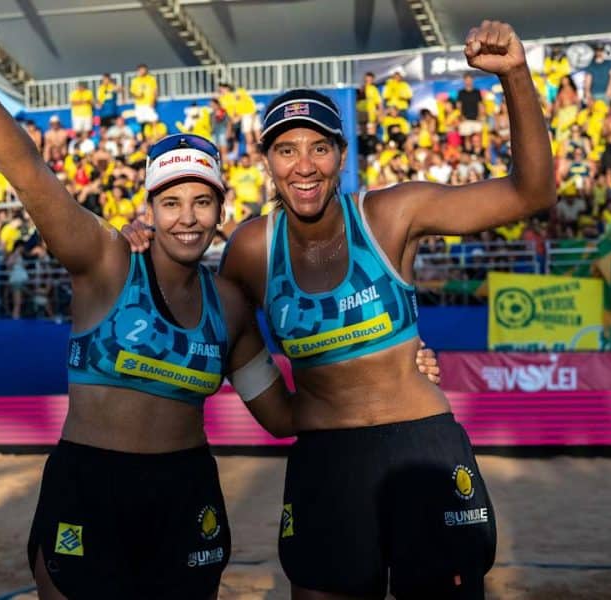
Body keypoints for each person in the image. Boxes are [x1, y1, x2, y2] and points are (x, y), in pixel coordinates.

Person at [0, 12, 443, 598]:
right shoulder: (105, 263)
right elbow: (26, 170)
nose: (187, 218)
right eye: (171, 202)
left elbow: (282, 417)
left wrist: (390, 378)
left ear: (221, 210)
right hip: (90, 485)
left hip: (185, 491)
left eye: (202, 201)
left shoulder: (228, 307)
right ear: (149, 207)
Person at [126, 20, 555, 598]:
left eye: (319, 148)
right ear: (266, 162)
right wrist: (144, 247)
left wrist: (516, 76)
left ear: (342, 155)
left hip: (420, 446)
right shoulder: (253, 249)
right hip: (326, 461)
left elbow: (532, 193)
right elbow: (206, 318)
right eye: (286, 150)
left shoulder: (392, 214)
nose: (304, 165)